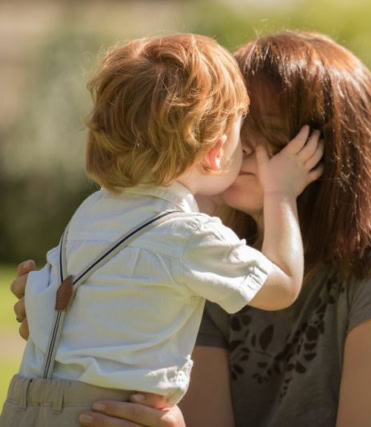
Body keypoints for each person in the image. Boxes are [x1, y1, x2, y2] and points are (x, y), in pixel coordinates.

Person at [11, 31, 371, 426]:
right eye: (232, 125)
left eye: (260, 128)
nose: (235, 146)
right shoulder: (202, 249)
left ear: (326, 146)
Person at [1, 33, 323, 426]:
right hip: (114, 413)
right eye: (243, 137)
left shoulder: (91, 211)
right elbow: (284, 285)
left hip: (25, 402)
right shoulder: (190, 237)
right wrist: (281, 192)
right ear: (217, 151)